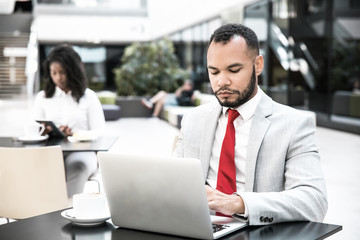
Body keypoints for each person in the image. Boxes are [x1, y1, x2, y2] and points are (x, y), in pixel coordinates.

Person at [173, 24, 328, 225]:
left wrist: (239, 203)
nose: (221, 81)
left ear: (258, 65)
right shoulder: (194, 119)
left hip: (255, 230)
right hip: (197, 227)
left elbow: (313, 201)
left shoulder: (294, 125)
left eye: (233, 70)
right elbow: (174, 182)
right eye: (214, 72)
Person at [32, 44, 106, 197]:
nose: (58, 77)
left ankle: (67, 211)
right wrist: (45, 131)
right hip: (51, 151)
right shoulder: (43, 98)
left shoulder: (89, 97)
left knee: (77, 167)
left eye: (62, 72)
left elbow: (100, 132)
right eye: (54, 73)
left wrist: (75, 134)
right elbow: (34, 129)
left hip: (82, 152)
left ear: (73, 72)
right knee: (39, 167)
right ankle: (43, 211)